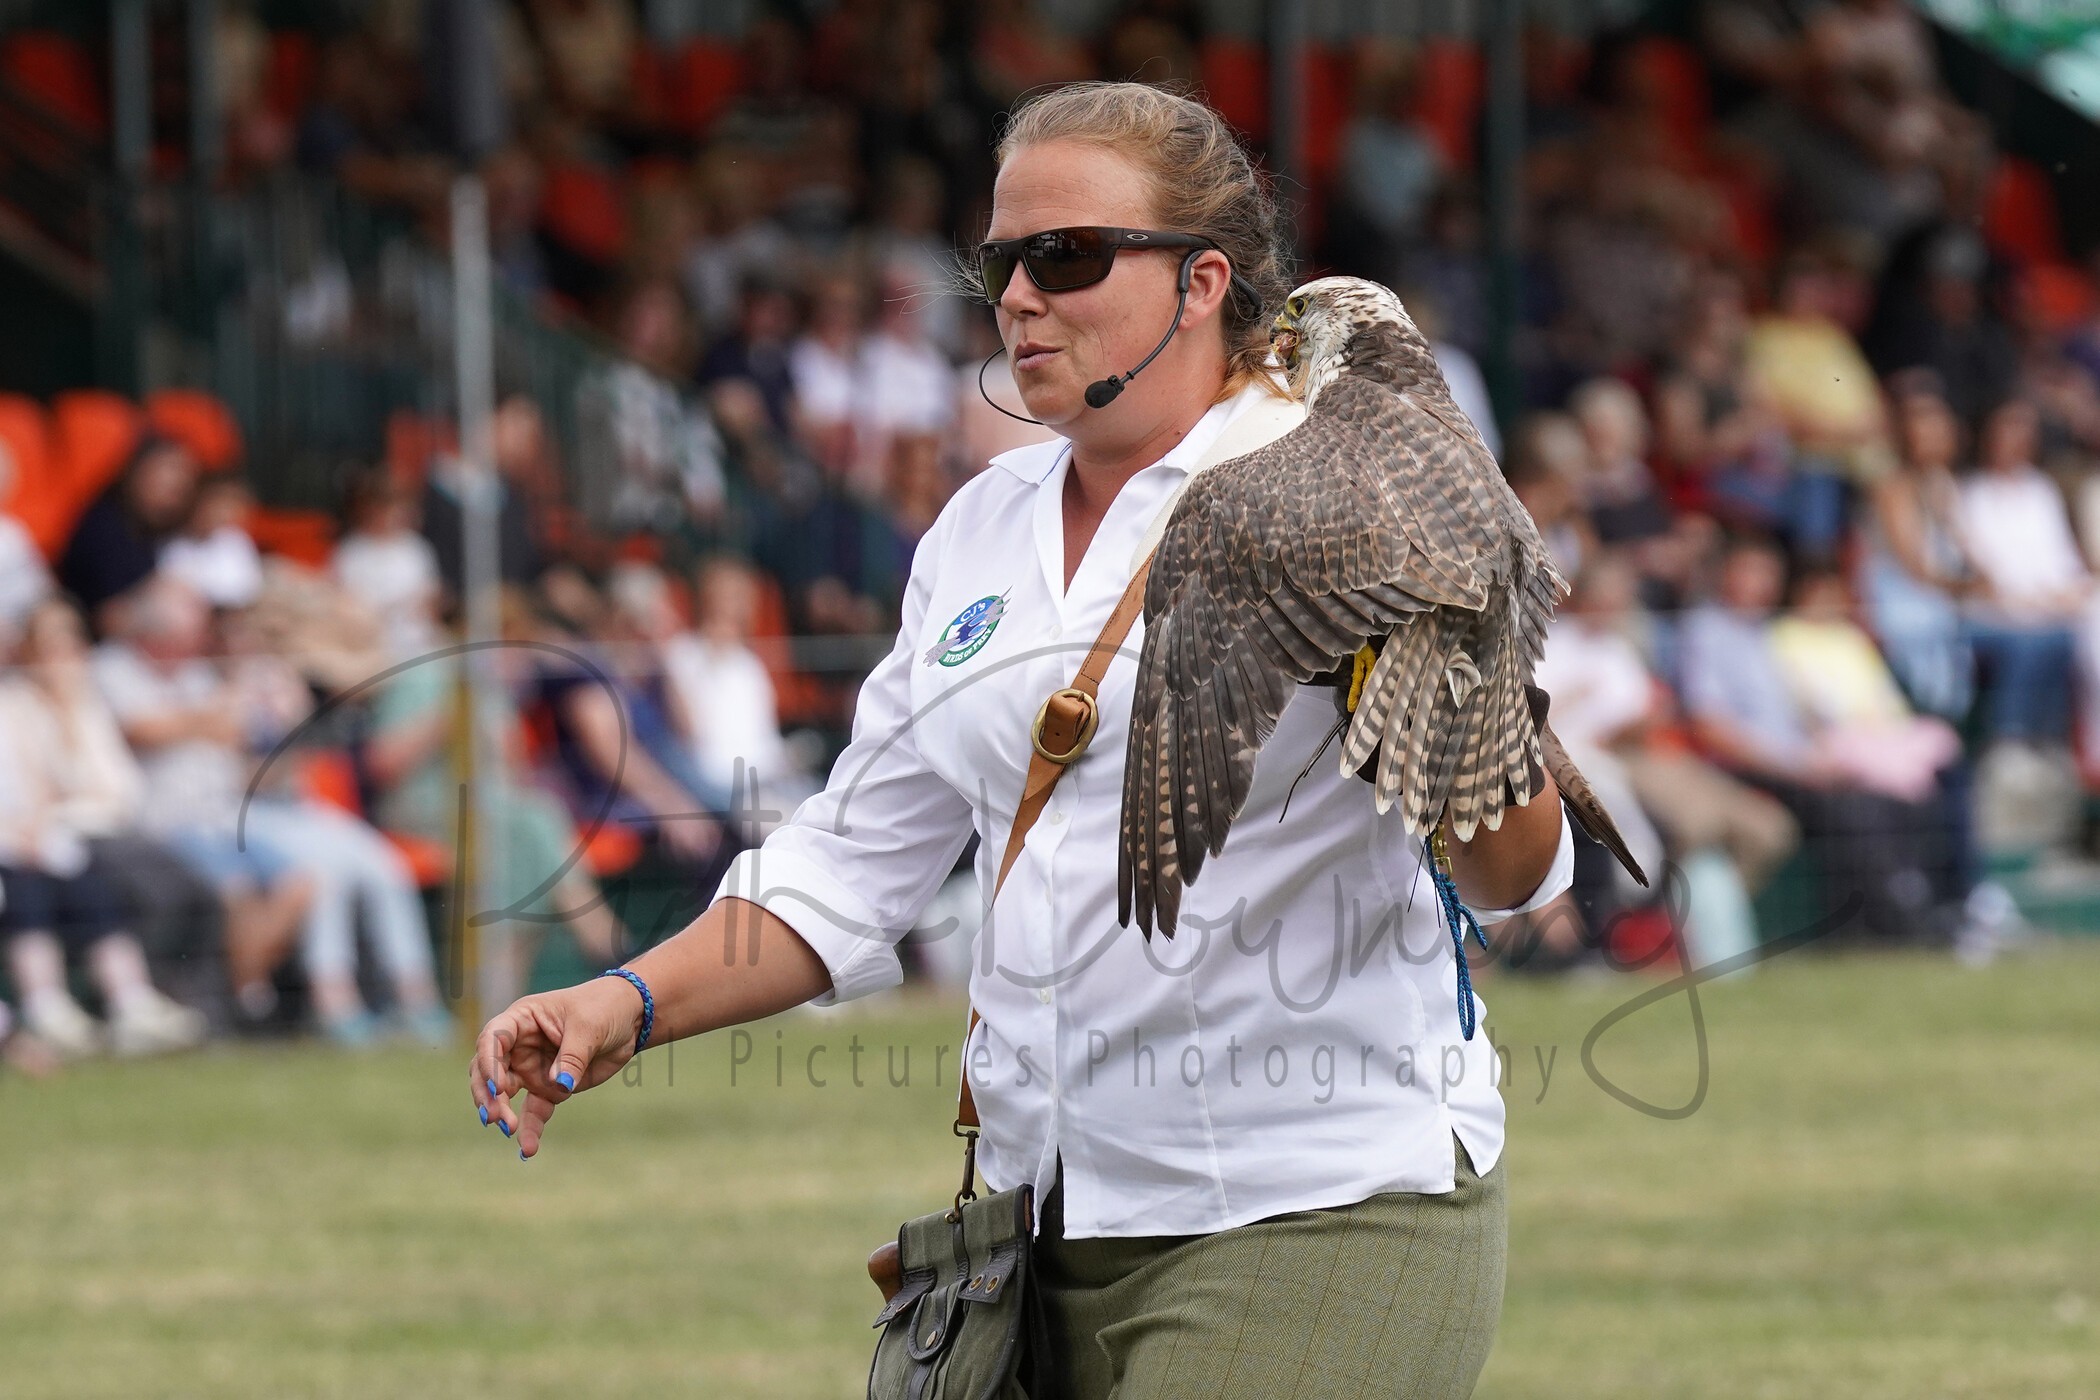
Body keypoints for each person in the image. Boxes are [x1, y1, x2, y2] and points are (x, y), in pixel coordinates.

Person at [472, 83, 1573, 1400]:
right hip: (1038, 1221)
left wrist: (1436, 676)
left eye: (1069, 257)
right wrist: (623, 1002)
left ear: (1203, 282)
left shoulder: (1343, 489)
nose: (1021, 298)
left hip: (1321, 1198)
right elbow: (855, 862)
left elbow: (1513, 871)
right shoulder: (981, 527)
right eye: (1000, 264)